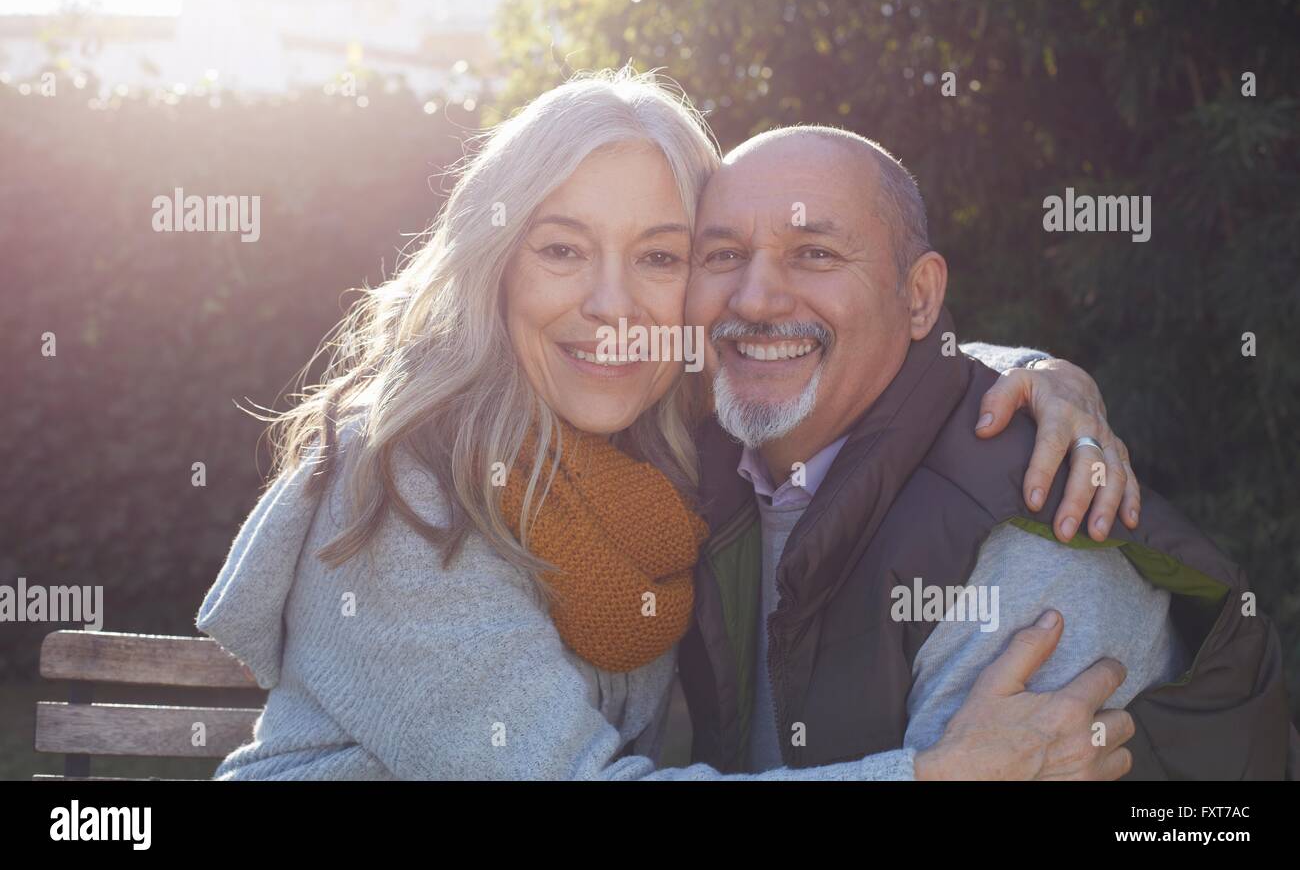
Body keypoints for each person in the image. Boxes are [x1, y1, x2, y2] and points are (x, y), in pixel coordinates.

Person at [197, 69, 1142, 779]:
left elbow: (859, 353)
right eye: (562, 248)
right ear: (496, 265)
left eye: (660, 256)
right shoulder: (411, 485)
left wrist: (1040, 380)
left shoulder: (668, 444)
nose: (614, 306)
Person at [679, 125, 1296, 778]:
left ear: (918, 297)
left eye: (815, 254)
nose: (753, 299)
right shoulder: (691, 450)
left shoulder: (1025, 551)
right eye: (722, 256)